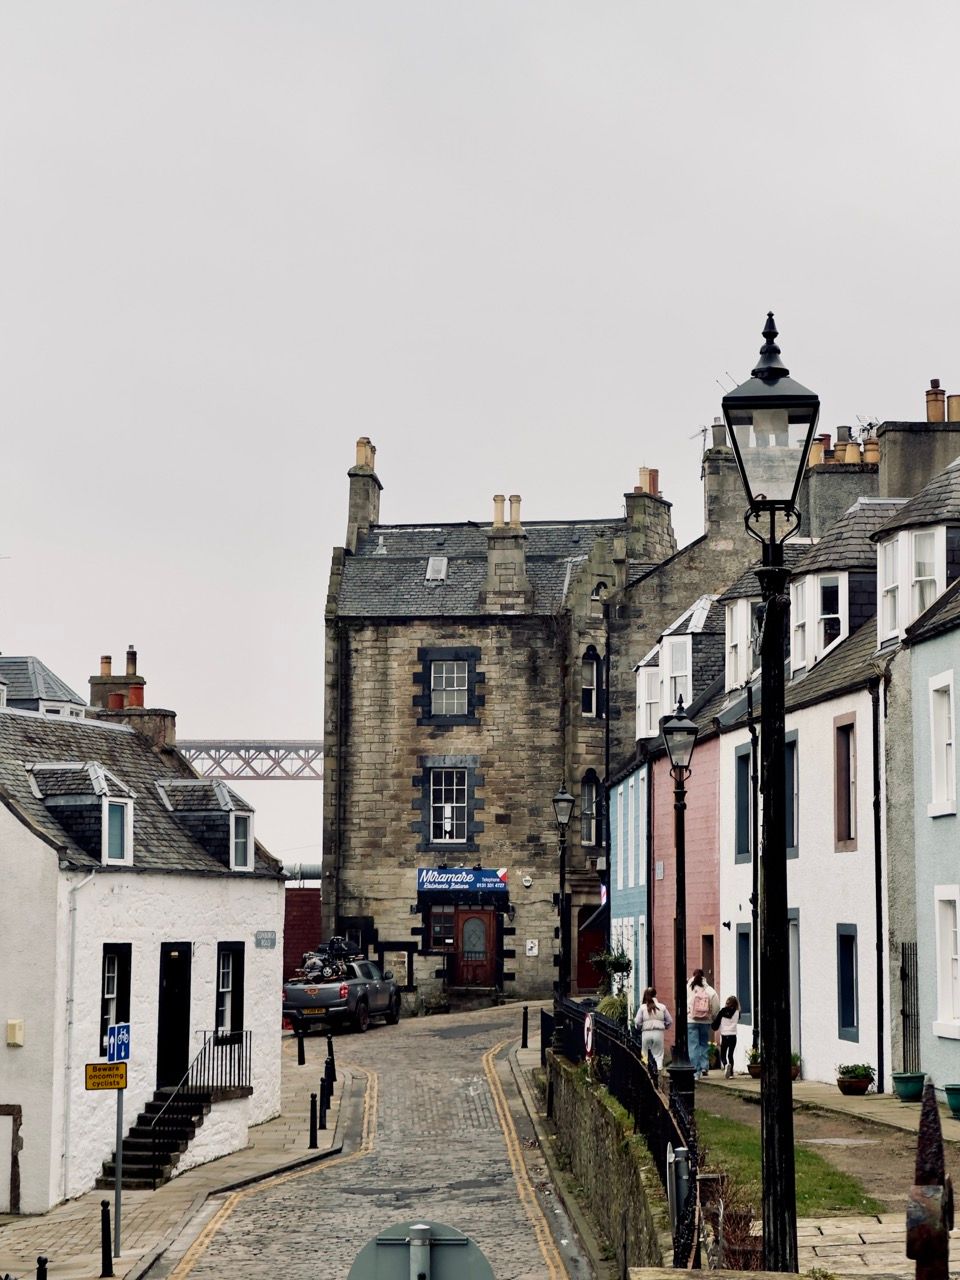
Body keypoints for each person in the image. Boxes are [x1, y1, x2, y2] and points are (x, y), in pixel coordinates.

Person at [687, 968, 720, 1078]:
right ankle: (704, 1067)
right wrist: (713, 1017)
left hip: (691, 1020)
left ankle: (695, 1071)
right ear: (704, 977)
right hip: (705, 1020)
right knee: (703, 1043)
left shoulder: (688, 988)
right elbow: (716, 1006)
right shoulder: (710, 990)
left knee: (693, 1046)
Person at [633, 986, 672, 1071]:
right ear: (656, 995)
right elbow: (669, 1021)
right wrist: (664, 1026)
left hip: (646, 1033)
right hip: (658, 1033)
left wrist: (639, 1028)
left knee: (644, 1054)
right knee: (658, 1055)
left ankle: (646, 1070)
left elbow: (637, 1022)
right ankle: (658, 1071)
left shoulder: (642, 1007)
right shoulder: (662, 1007)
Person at [716, 994, 740, 1077]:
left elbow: (717, 1022)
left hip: (725, 1035)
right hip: (733, 1035)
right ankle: (731, 1074)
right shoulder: (737, 1012)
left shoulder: (723, 1011)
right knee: (730, 1054)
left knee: (723, 1054)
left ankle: (726, 1065)